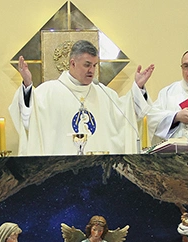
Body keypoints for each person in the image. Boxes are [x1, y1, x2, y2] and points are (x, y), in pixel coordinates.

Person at [9, 40, 154, 156]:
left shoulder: (104, 94)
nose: (91, 70)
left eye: (94, 65)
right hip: (58, 174)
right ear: (72, 63)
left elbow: (127, 113)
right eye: (87, 65)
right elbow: (29, 120)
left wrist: (138, 88)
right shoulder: (48, 92)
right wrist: (27, 84)